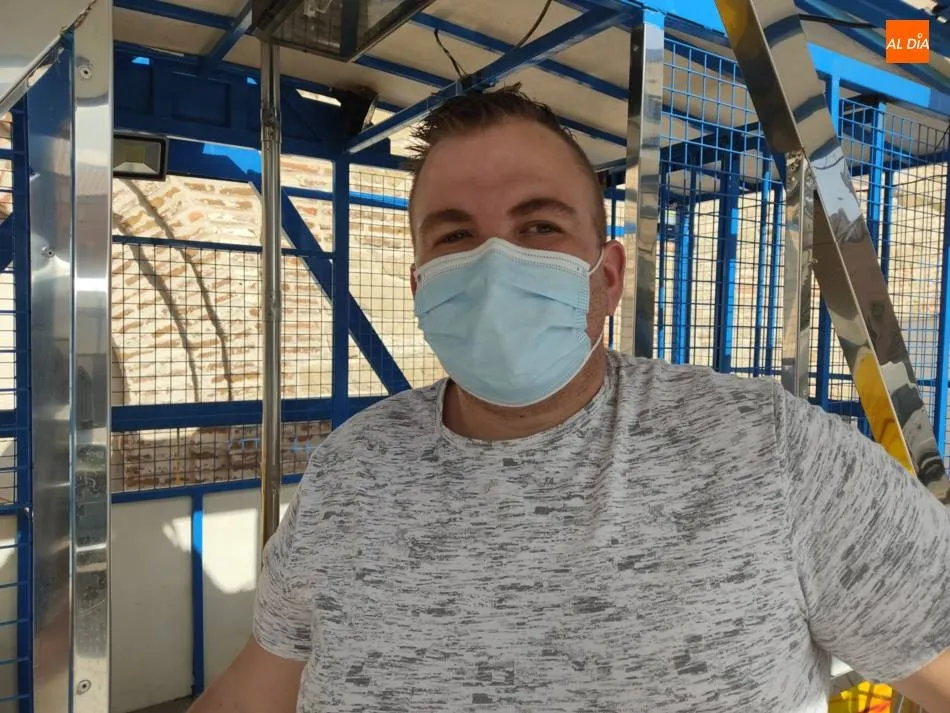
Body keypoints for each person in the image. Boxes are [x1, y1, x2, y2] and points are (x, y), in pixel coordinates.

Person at [190, 86, 950, 713]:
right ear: (420, 287)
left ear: (607, 277)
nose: (496, 264)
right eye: (455, 237)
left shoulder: (768, 451)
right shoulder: (350, 473)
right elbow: (256, 689)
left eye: (539, 226)